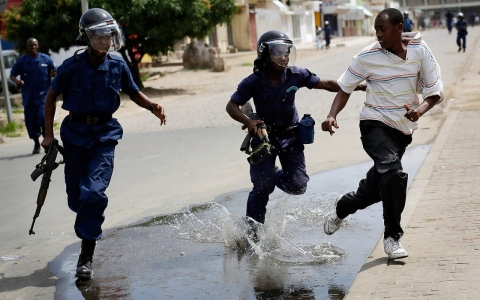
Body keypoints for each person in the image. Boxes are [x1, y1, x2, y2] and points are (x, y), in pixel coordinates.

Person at [41, 8, 167, 280]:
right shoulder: (71, 67)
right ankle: (87, 218)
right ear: (87, 36)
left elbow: (133, 92)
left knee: (93, 193)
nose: (105, 40)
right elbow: (51, 97)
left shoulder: (118, 64)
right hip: (74, 135)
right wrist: (48, 135)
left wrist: (153, 107)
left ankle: (86, 256)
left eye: (109, 35)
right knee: (77, 199)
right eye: (99, 35)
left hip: (104, 136)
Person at [321, 8, 443, 259]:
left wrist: (419, 110)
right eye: (375, 29)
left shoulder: (420, 52)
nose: (378, 34)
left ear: (399, 28)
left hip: (402, 130)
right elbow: (345, 87)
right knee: (392, 172)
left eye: (383, 29)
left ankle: (343, 207)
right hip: (374, 123)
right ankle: (392, 237)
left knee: (375, 189)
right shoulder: (366, 56)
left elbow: (435, 91)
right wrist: (332, 115)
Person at [226, 30, 364, 237]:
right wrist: (248, 121)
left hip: (291, 137)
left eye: (287, 51)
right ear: (265, 54)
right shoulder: (252, 81)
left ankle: (273, 173)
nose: (284, 56)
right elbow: (232, 106)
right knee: (262, 188)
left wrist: (355, 86)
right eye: (278, 52)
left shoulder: (296, 75)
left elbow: (326, 84)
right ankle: (253, 234)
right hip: (263, 138)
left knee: (298, 186)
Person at [10, 38, 56, 154]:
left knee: (43, 118)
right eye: (31, 45)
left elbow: (55, 71)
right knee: (31, 123)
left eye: (35, 45)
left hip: (44, 97)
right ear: (28, 47)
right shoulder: (22, 61)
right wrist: (17, 82)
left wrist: (54, 73)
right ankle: (36, 143)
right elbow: (12, 75)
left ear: (38, 46)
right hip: (29, 97)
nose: (33, 47)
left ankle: (47, 141)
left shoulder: (46, 59)